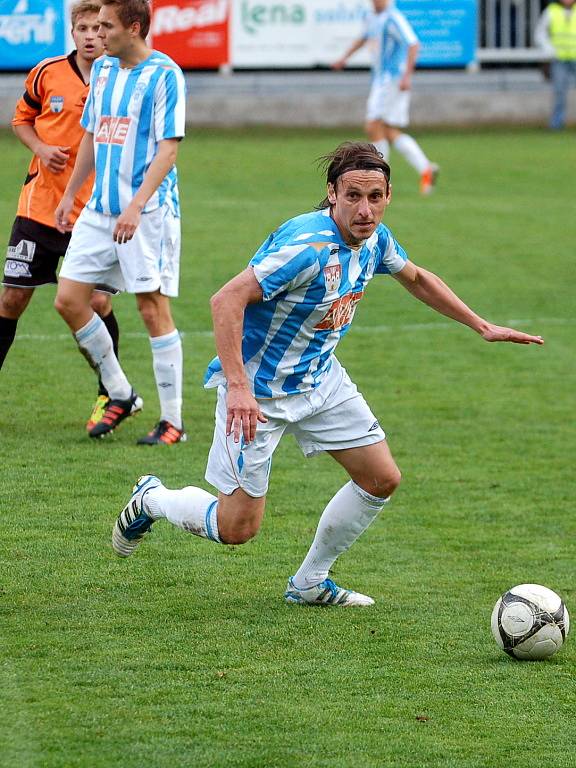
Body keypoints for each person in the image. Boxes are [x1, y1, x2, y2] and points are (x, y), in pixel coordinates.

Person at [111, 141, 543, 607]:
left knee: (381, 478)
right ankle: (152, 498)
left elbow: (416, 278)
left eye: (375, 197)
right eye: (353, 196)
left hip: (321, 380)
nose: (365, 209)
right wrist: (238, 388)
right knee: (237, 528)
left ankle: (310, 582)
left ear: (389, 196)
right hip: (261, 393)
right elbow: (225, 300)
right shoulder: (306, 247)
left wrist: (481, 325)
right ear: (332, 193)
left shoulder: (376, 239)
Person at [54, 0, 187, 445]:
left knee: (152, 309)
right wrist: (72, 193)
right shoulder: (105, 71)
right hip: (98, 210)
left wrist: (135, 205)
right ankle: (121, 393)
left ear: (133, 28)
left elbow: (168, 151)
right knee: (69, 300)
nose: (98, 33)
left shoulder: (165, 75)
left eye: (106, 25)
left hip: (146, 214)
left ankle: (173, 421)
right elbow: (92, 134)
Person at [0, 0, 132, 432]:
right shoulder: (46, 73)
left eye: (99, 27)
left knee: (94, 302)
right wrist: (40, 149)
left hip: (94, 214)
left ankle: (109, 395)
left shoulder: (123, 76)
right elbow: (22, 120)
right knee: (12, 299)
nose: (92, 35)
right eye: (83, 28)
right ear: (72, 32)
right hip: (39, 207)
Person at [332, 0, 438, 195]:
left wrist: (407, 76)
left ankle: (379, 179)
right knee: (388, 130)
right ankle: (426, 169)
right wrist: (344, 57)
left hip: (390, 81)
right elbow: (363, 38)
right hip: (382, 80)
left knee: (372, 126)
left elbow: (413, 44)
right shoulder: (373, 17)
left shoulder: (393, 18)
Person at [535, 0, 576, 130]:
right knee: (559, 91)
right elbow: (540, 33)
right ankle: (557, 123)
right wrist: (549, 49)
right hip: (559, 58)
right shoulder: (551, 10)